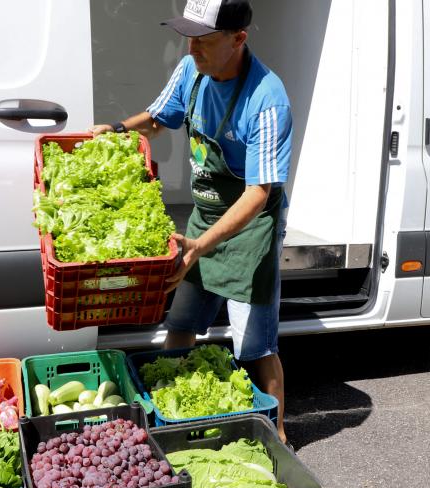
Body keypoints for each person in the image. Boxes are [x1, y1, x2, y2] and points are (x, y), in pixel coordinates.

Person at [90, 0, 292, 443]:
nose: (192, 45)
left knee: (256, 345)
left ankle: (277, 435)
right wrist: (118, 130)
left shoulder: (266, 98)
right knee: (180, 324)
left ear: (239, 38)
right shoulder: (190, 71)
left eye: (204, 38)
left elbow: (260, 193)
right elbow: (159, 119)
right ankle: (170, 417)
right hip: (204, 216)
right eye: (189, 35)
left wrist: (201, 246)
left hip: (250, 226)